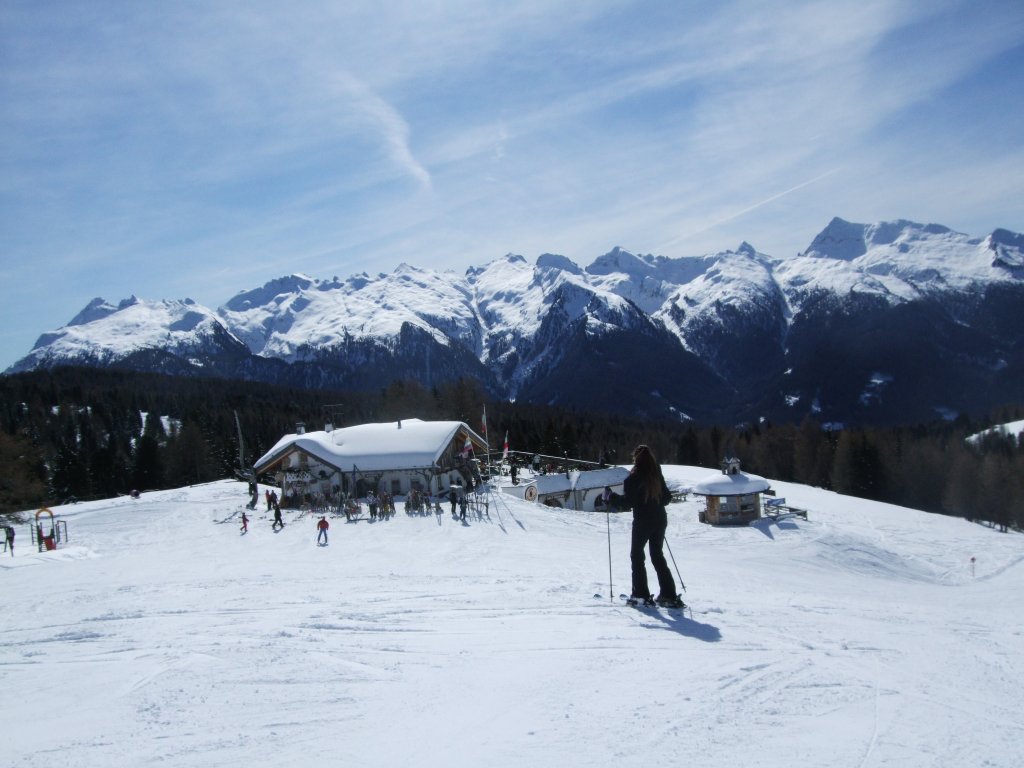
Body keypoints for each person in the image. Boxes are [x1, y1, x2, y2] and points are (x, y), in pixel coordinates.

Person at [622, 444, 682, 607]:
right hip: (660, 519)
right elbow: (666, 498)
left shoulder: (633, 478)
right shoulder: (656, 473)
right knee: (657, 556)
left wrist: (610, 497)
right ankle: (669, 595)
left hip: (642, 521)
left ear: (636, 458)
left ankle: (641, 594)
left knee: (637, 555)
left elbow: (627, 502)